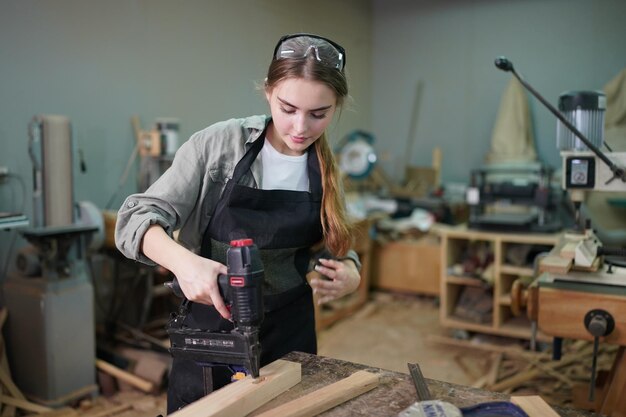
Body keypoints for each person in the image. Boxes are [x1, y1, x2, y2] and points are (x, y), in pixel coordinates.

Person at [115, 33, 362, 413]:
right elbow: (134, 220)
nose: (300, 127)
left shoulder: (325, 168)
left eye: (319, 114)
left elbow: (336, 244)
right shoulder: (218, 146)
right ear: (268, 92)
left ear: (336, 107)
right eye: (288, 108)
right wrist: (184, 264)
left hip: (289, 334)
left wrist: (350, 271)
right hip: (211, 332)